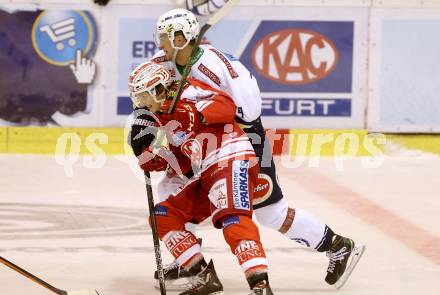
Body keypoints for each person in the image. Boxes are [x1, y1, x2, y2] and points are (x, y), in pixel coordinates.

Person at [148, 8, 365, 290]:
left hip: (243, 141)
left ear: (180, 37)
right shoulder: (169, 62)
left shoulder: (216, 64)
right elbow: (149, 83)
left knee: (270, 212)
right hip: (204, 145)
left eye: (165, 37)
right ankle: (187, 256)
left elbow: (248, 111)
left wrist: (207, 114)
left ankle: (337, 245)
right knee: (171, 185)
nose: (160, 43)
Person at [128, 61, 275, 295]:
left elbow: (227, 106)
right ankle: (203, 276)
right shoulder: (163, 116)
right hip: (208, 171)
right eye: (139, 98)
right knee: (162, 217)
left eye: (144, 96)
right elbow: (185, 155)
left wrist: (194, 112)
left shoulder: (190, 90)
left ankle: (260, 286)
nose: (142, 103)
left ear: (158, 89)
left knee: (233, 218)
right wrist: (157, 159)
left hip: (231, 158)